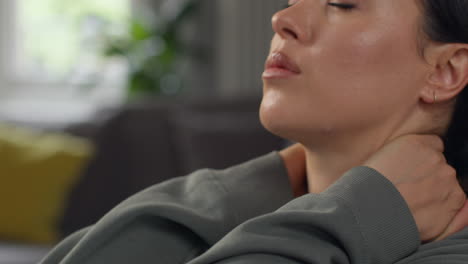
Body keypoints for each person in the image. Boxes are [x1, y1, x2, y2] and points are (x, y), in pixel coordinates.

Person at [41, 0, 468, 263]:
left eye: (341, 1)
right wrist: (242, 191)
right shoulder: (234, 204)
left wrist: (364, 214)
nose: (282, 18)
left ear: (445, 70)